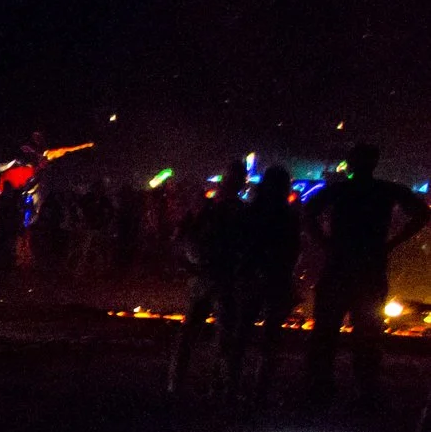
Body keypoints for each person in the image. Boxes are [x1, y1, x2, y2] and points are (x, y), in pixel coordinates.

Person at [303, 144, 428, 406]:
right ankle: (365, 390)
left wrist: (325, 242)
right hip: (370, 267)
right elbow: (421, 214)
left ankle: (320, 385)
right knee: (367, 333)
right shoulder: (385, 190)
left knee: (327, 330)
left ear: (351, 162)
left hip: (339, 266)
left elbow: (307, 212)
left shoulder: (340, 190)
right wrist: (392, 243)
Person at [168, 159, 246, 397]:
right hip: (221, 278)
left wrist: (188, 262)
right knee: (221, 336)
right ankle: (219, 387)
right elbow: (183, 236)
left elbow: (181, 236)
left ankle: (178, 384)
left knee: (194, 333)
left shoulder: (211, 209)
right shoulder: (233, 211)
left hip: (209, 277)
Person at [231, 164, 300, 401]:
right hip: (275, 277)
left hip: (254, 275)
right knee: (270, 336)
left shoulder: (252, 211)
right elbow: (293, 249)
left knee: (242, 333)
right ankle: (259, 389)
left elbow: (241, 243)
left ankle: (232, 385)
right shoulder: (288, 214)